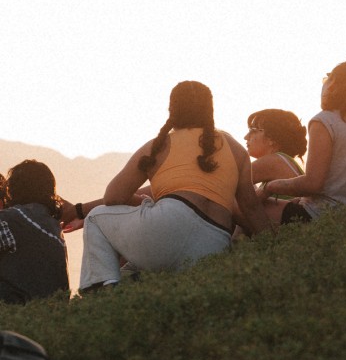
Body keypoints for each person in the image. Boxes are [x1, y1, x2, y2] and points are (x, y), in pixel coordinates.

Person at [80, 81, 272, 291]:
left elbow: (113, 197)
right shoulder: (236, 149)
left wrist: (144, 201)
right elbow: (251, 208)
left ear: (171, 110)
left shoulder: (159, 145)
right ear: (210, 110)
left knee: (96, 218)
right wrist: (275, 249)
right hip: (214, 244)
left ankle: (100, 294)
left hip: (165, 229)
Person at [259, 60, 346, 223]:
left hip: (320, 216)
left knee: (241, 204)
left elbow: (313, 184)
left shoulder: (323, 121)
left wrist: (270, 186)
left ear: (334, 84)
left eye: (327, 80)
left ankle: (271, 245)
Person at [0, 161, 69, 304]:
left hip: (14, 313)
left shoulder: (9, 219)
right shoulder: (54, 228)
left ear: (11, 190)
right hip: (52, 316)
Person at [245, 109, 307, 184]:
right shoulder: (284, 162)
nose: (246, 137)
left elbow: (228, 182)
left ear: (271, 138)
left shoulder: (272, 162)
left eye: (253, 131)